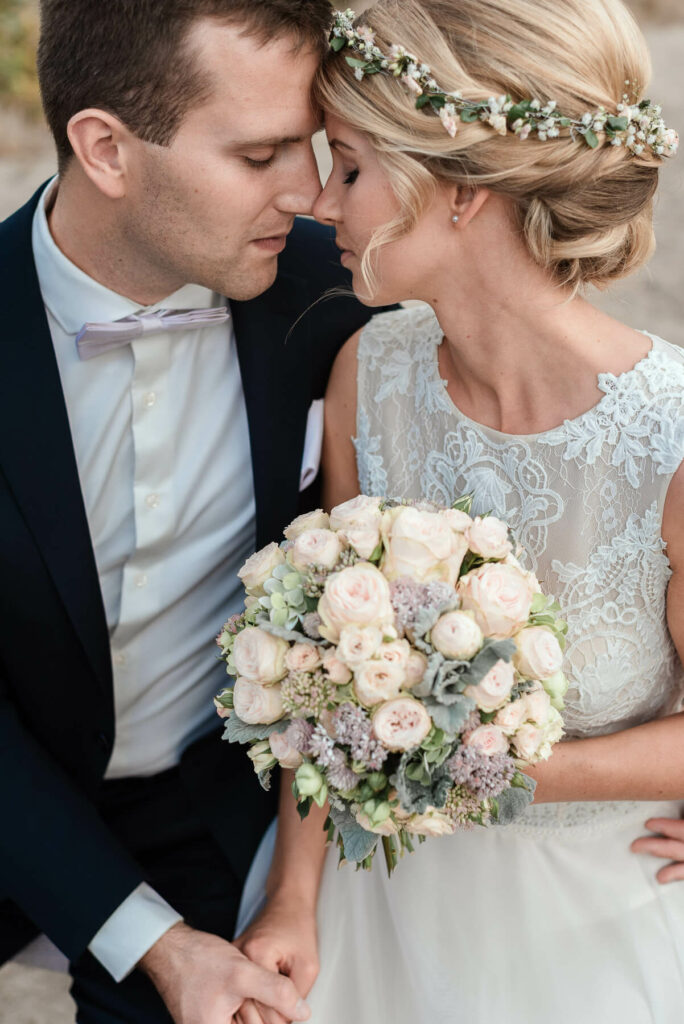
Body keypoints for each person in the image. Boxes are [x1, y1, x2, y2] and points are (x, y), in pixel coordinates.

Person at [235, 1, 684, 1020]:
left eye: (347, 166)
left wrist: (476, 766)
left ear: (458, 191)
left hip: (594, 927)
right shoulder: (369, 374)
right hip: (371, 898)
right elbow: (322, 675)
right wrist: (291, 900)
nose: (316, 201)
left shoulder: (672, 439)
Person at [0, 1, 388, 1021]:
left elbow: (550, 412)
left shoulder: (336, 297)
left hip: (208, 803)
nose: (306, 190)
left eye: (308, 148)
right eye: (260, 154)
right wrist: (151, 944)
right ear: (107, 150)